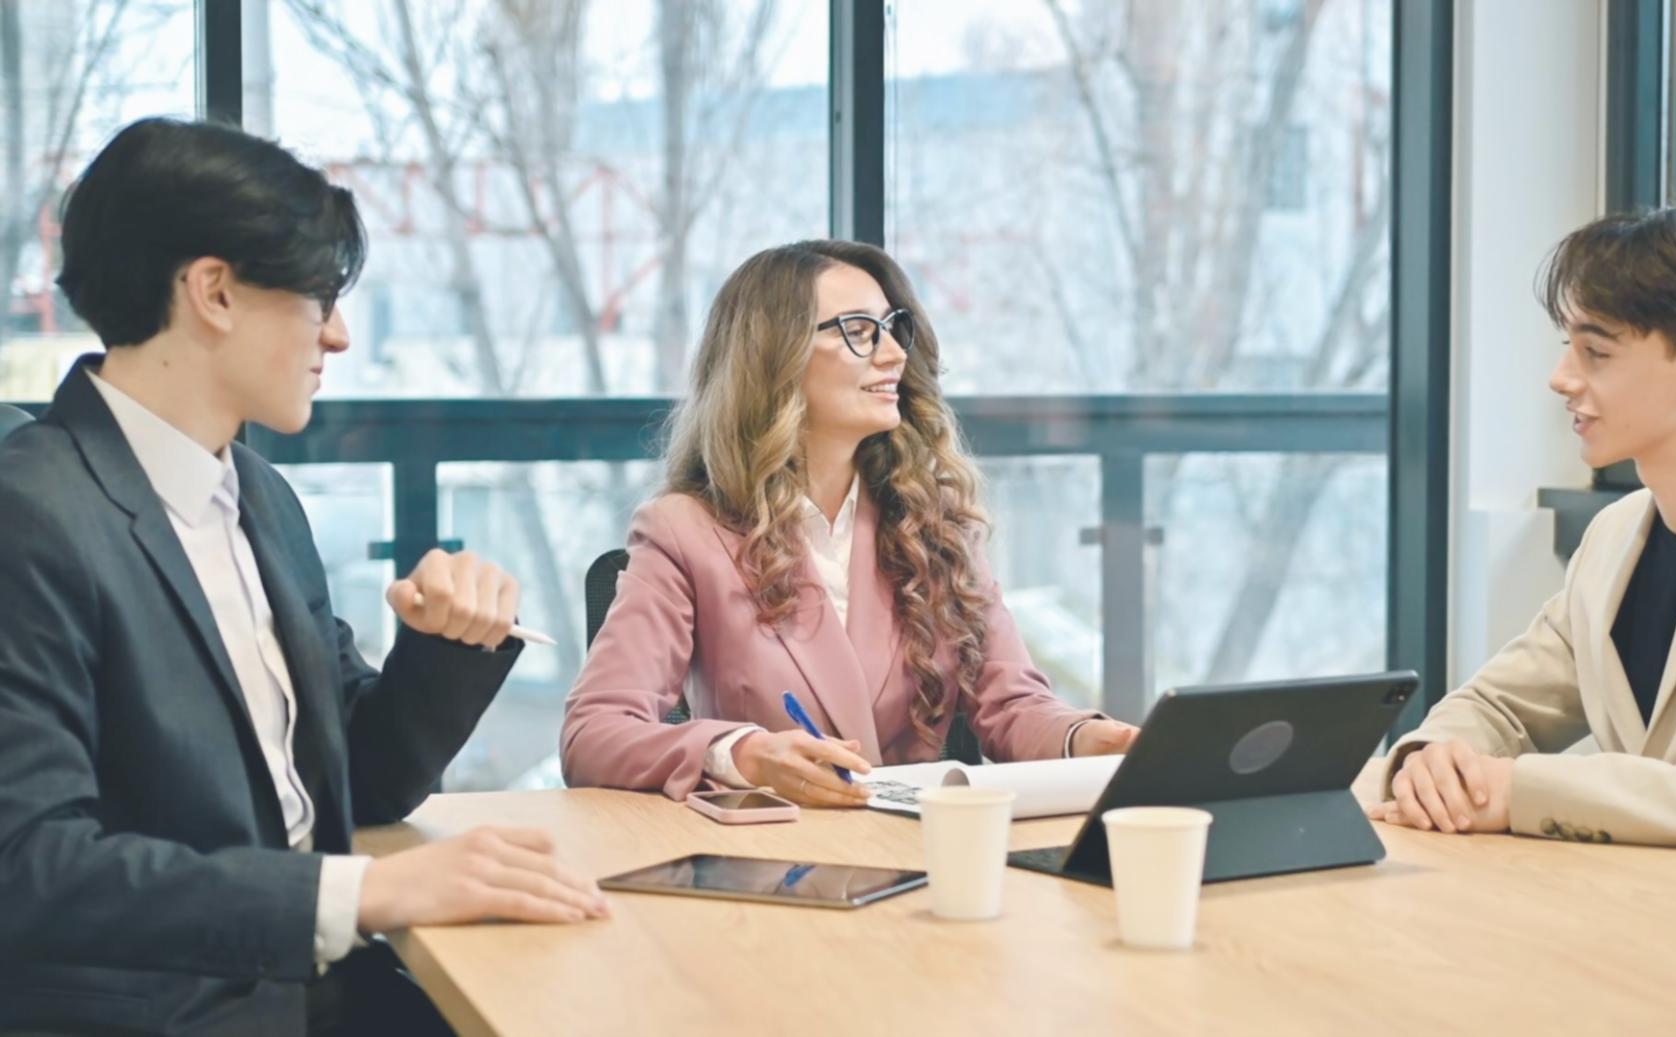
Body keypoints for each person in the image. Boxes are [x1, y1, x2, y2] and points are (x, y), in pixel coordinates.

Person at [0, 118, 607, 1037]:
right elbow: (32, 864)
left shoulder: (259, 496)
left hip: (316, 982)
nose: (340, 333)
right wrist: (366, 888)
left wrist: (444, 650)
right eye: (319, 296)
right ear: (213, 292)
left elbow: (350, 787)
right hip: (170, 1006)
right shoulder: (32, 514)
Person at [561, 240, 1138, 805]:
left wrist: (1084, 738)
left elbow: (1011, 704)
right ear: (774, 357)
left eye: (892, 329)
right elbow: (594, 734)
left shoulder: (935, 525)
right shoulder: (684, 531)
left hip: (915, 859)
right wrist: (739, 753)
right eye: (860, 332)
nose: (893, 355)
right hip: (769, 868)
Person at [1369, 194, 1676, 865]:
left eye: (1595, 352)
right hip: (1634, 927)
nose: (1559, 378)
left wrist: (1526, 791)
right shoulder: (1614, 534)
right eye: (1569, 347)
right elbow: (1500, 706)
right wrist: (1427, 760)